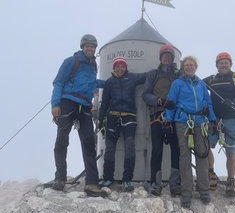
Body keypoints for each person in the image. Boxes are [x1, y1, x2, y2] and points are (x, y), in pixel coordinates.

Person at [51, 34, 106, 197]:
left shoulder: (92, 66)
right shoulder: (71, 61)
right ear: (82, 47)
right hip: (67, 102)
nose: (90, 48)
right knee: (62, 140)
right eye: (87, 46)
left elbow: (92, 83)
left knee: (89, 143)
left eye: (92, 46)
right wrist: (55, 104)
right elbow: (58, 81)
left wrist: (109, 83)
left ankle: (91, 183)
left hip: (85, 106)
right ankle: (60, 178)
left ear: (95, 49)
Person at [165, 56, 216, 209]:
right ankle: (186, 192)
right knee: (185, 156)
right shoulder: (177, 84)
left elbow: (208, 103)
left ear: (195, 67)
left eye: (191, 65)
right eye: (186, 65)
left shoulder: (201, 85)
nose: (189, 67)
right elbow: (170, 103)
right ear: (182, 67)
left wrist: (212, 119)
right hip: (183, 121)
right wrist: (168, 120)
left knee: (202, 154)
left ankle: (204, 190)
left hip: (199, 121)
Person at [203, 52, 235, 197]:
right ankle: (211, 174)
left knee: (230, 151)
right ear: (217, 65)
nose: (223, 64)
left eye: (225, 62)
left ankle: (230, 181)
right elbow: (196, 82)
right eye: (220, 62)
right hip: (214, 118)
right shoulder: (211, 79)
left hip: (233, 117)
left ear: (230, 64)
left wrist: (233, 102)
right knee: (206, 145)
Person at [98, 57, 147, 191]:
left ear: (125, 68)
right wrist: (100, 119)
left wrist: (159, 70)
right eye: (117, 66)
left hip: (129, 117)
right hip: (112, 117)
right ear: (114, 68)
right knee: (109, 149)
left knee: (130, 146)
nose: (120, 68)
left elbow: (146, 76)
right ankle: (108, 178)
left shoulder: (132, 78)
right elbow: (105, 102)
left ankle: (127, 179)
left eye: (122, 66)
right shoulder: (109, 82)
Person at [143, 44, 181, 197]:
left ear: (172, 59)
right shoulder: (153, 74)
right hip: (157, 115)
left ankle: (175, 184)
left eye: (169, 56)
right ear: (161, 58)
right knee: (157, 149)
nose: (166, 58)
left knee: (176, 149)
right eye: (164, 55)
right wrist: (159, 101)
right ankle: (155, 183)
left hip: (174, 116)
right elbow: (146, 94)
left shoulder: (178, 75)